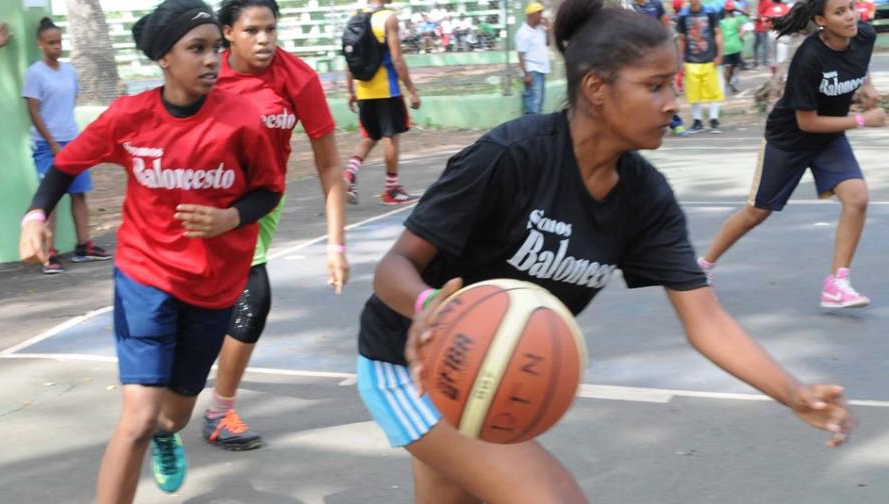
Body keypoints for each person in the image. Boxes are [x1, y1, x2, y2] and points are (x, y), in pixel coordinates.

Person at [354, 0, 854, 501]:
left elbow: (706, 321)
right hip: (409, 361)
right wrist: (430, 307)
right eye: (655, 86)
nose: (672, 103)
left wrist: (791, 392)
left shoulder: (644, 198)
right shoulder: (512, 157)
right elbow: (395, 267)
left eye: (673, 85)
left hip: (488, 374)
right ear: (596, 89)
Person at [17, 1, 285, 500]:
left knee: (171, 416)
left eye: (215, 48)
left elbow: (268, 190)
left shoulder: (243, 120)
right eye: (197, 48)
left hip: (214, 286)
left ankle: (167, 434)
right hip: (146, 277)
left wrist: (229, 218)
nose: (211, 59)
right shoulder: (130, 116)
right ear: (164, 57)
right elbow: (65, 165)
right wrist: (35, 217)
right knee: (138, 419)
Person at [207, 0, 349, 450]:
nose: (264, 39)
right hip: (202, 194)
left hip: (260, 203)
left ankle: (219, 411)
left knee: (253, 298)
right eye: (252, 30)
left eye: (270, 29)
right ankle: (165, 392)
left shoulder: (298, 78)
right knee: (196, 305)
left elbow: (329, 164)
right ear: (228, 33)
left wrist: (336, 246)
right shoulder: (206, 69)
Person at [698, 0, 885, 308]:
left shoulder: (863, 35)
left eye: (851, 7)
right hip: (789, 140)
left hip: (829, 138)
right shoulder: (809, 57)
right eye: (840, 12)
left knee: (857, 198)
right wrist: (862, 120)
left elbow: (858, 62)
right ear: (821, 20)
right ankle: (701, 267)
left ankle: (837, 284)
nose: (851, 16)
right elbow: (806, 122)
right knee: (757, 212)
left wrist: (867, 85)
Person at [22, 17, 111, 274]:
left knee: (79, 193)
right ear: (40, 44)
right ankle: (48, 253)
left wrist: (72, 139)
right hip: (46, 145)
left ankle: (84, 247)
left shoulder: (69, 71)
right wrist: (52, 143)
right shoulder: (35, 73)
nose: (56, 46)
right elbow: (34, 111)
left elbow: (69, 103)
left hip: (73, 142)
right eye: (51, 42)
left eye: (59, 42)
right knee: (49, 200)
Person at [343, 0, 421, 206]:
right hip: (387, 90)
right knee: (391, 137)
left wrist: (350, 90)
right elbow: (397, 59)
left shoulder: (356, 17)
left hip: (363, 90)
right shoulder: (388, 17)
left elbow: (350, 58)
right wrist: (412, 90)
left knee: (370, 136)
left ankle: (348, 176)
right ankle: (391, 190)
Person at [631, 0, 690, 136]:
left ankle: (676, 124)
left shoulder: (656, 4)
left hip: (657, 54)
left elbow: (666, 29)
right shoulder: (629, 7)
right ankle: (647, 126)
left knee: (664, 88)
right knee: (643, 92)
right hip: (638, 56)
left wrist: (669, 51)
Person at [677, 0, 725, 133]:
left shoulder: (710, 12)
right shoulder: (683, 15)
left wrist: (719, 54)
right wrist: (680, 60)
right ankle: (697, 121)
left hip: (710, 59)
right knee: (693, 93)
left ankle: (714, 120)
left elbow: (718, 33)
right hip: (691, 60)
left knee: (713, 91)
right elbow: (681, 38)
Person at [516, 2, 551, 115]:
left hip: (541, 70)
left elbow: (547, 43)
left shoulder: (539, 29)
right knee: (533, 106)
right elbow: (521, 55)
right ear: (531, 15)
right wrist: (527, 74)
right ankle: (531, 125)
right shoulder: (523, 32)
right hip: (532, 71)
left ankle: (534, 125)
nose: (541, 16)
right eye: (538, 13)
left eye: (541, 13)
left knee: (538, 104)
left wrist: (547, 30)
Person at [720, 1, 748, 94]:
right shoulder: (737, 20)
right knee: (736, 66)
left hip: (725, 48)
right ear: (734, 10)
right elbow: (747, 15)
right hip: (736, 46)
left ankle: (728, 84)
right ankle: (733, 83)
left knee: (727, 67)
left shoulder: (721, 22)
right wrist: (739, 10)